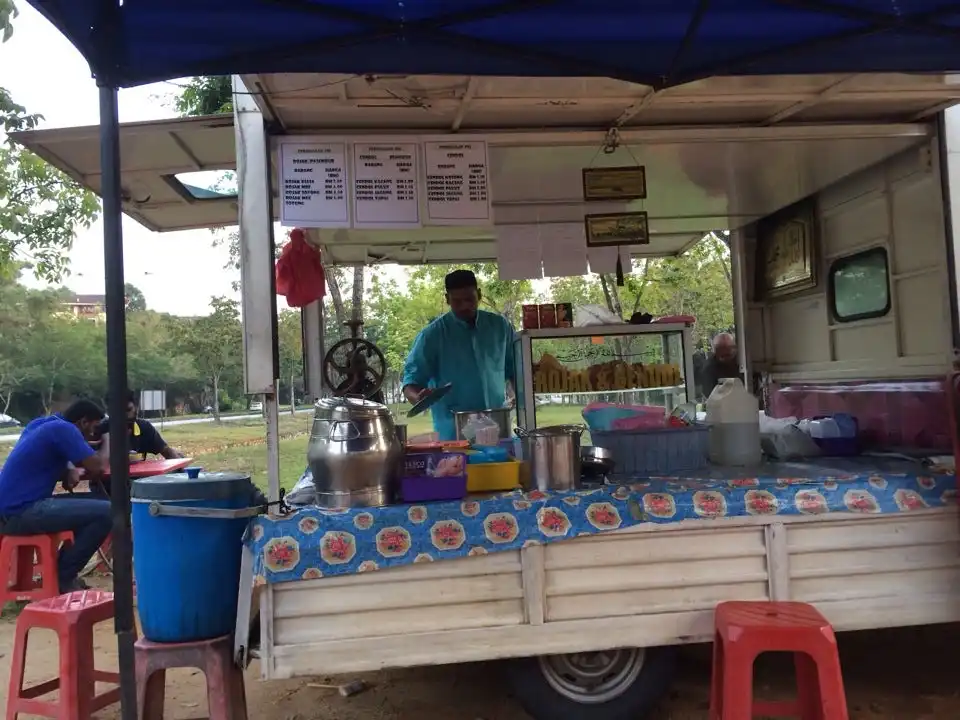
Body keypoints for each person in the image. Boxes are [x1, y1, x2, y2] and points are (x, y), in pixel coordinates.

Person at [0, 399, 110, 593]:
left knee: (99, 505)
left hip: (10, 510)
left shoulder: (41, 424)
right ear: (83, 422)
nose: (92, 435)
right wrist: (109, 440)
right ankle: (62, 576)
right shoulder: (64, 430)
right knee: (109, 512)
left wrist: (67, 467)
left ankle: (59, 573)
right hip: (23, 511)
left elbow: (41, 455)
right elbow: (98, 466)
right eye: (93, 429)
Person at [402, 269, 515, 441]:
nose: (464, 306)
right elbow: (410, 382)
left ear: (479, 294)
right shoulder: (432, 336)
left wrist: (524, 404)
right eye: (457, 301)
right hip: (453, 433)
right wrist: (418, 397)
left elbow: (515, 371)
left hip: (496, 428)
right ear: (447, 299)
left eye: (470, 299)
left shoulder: (501, 327)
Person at [94, 390, 182, 496]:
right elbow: (94, 466)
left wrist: (183, 469)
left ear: (135, 407)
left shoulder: (144, 428)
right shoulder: (100, 430)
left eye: (128, 409)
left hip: (139, 482)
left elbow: (167, 452)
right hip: (108, 486)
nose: (126, 415)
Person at [697, 332, 741, 400]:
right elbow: (709, 393)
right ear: (716, 351)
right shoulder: (709, 369)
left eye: (729, 354)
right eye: (723, 355)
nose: (727, 358)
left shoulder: (741, 361)